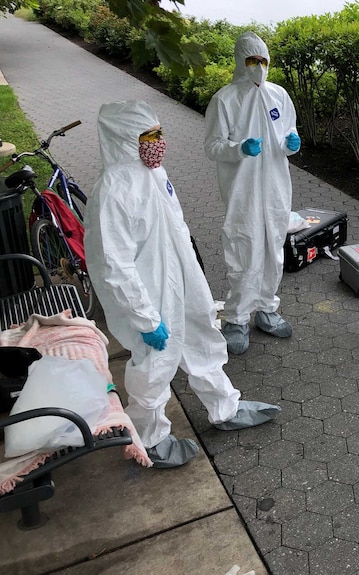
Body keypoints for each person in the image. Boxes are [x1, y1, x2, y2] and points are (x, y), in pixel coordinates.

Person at [85, 100, 281, 469]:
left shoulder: (154, 172)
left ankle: (225, 408)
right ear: (125, 139)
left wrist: (194, 280)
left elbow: (175, 229)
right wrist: (145, 318)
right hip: (152, 296)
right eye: (149, 135)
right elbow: (113, 264)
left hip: (182, 282)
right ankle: (149, 438)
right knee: (155, 367)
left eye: (160, 132)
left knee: (203, 339)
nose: (159, 142)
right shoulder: (112, 190)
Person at [204, 31, 300, 355]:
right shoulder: (225, 99)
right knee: (243, 246)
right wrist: (239, 149)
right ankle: (237, 317)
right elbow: (213, 146)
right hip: (242, 189)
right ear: (240, 62)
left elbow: (290, 130)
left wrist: (292, 144)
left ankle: (268, 309)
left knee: (274, 246)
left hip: (275, 187)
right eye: (252, 60)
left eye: (263, 61)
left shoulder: (279, 96)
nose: (258, 67)